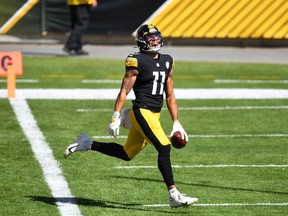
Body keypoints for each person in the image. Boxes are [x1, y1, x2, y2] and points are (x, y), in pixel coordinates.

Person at [64, 24, 198, 208]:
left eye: (156, 37)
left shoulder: (168, 61)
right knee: (164, 148)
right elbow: (124, 91)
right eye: (150, 38)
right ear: (142, 41)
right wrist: (115, 116)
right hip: (141, 111)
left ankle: (87, 143)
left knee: (127, 154)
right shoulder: (136, 61)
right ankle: (173, 195)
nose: (155, 40)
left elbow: (170, 95)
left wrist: (176, 121)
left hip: (155, 114)